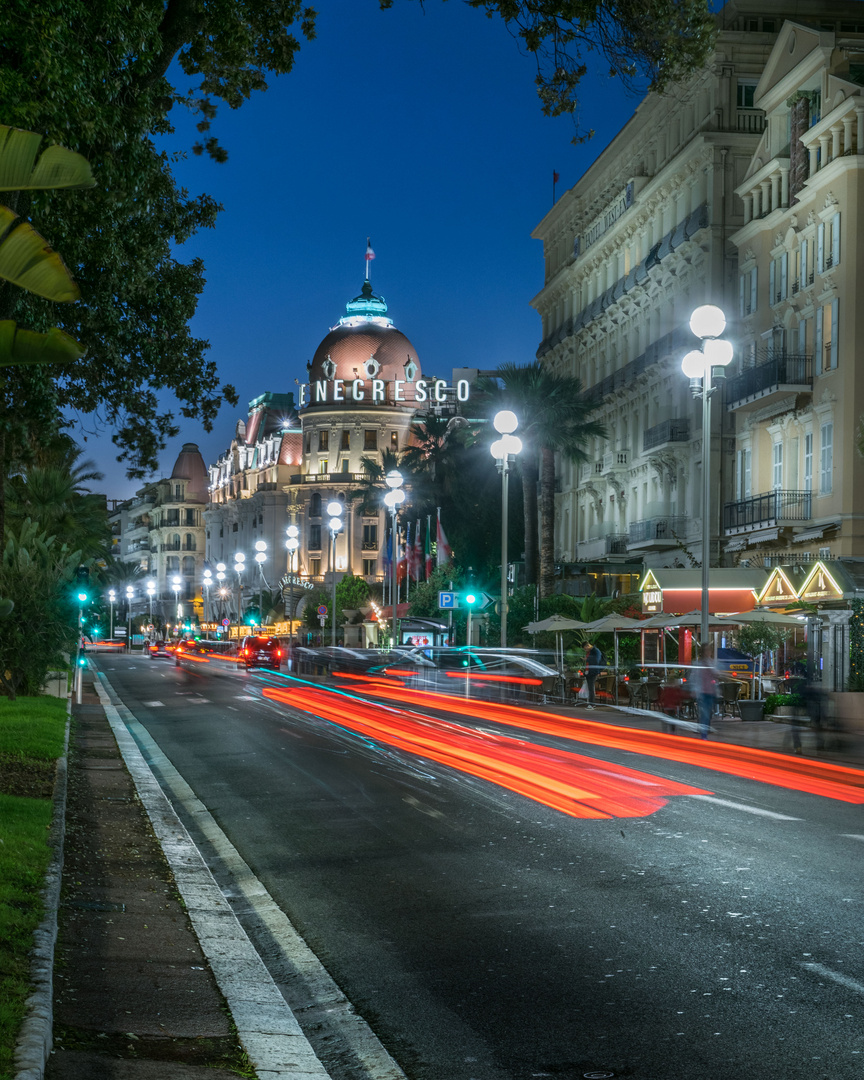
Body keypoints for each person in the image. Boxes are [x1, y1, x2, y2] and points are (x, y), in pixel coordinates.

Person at [690, 646, 720, 739]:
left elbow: (716, 674)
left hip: (710, 692)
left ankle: (704, 731)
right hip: (702, 692)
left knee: (707, 713)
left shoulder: (711, 663)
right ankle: (704, 734)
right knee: (704, 713)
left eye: (709, 650)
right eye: (707, 650)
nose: (708, 652)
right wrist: (694, 689)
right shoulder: (699, 664)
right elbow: (694, 677)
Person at [583, 640, 602, 709]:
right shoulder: (591, 651)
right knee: (590, 688)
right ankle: (591, 703)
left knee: (591, 688)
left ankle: (592, 704)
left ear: (587, 645)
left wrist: (587, 659)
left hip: (593, 672)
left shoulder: (595, 651)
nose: (585, 650)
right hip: (589, 671)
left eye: (585, 649)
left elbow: (596, 660)